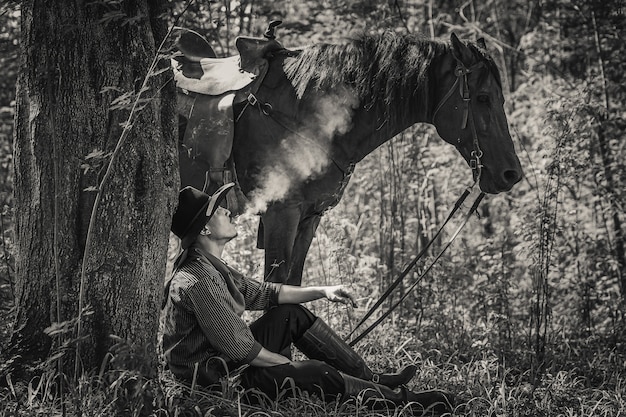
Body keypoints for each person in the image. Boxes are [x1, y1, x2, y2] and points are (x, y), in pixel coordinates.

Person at [161, 184, 453, 413]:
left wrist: (324, 291)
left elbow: (265, 294)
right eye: (218, 210)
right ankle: (405, 402)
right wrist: (284, 366)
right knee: (318, 373)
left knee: (291, 313)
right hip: (217, 383)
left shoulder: (210, 265)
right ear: (205, 229)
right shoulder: (198, 281)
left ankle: (371, 379)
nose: (227, 211)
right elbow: (240, 347)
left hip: (225, 362)